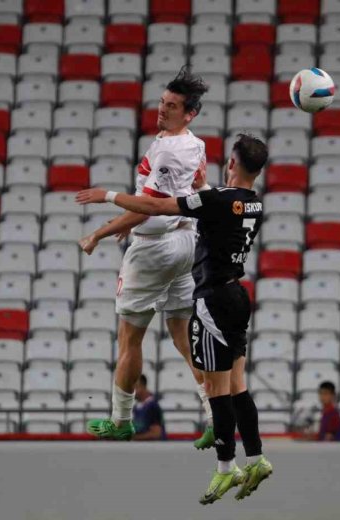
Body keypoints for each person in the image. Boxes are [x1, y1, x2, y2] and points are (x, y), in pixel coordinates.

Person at [76, 134, 272, 505]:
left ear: (232, 163)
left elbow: (160, 207)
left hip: (213, 298)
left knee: (219, 392)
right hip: (238, 296)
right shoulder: (253, 205)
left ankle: (226, 469)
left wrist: (108, 197)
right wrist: (203, 189)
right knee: (238, 386)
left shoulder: (215, 200)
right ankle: (257, 458)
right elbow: (222, 205)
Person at [78, 67, 215, 450]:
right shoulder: (193, 144)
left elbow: (151, 207)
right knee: (184, 336)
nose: (163, 110)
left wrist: (100, 230)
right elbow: (194, 188)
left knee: (130, 338)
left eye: (172, 106)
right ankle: (216, 418)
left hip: (155, 251)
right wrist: (131, 222)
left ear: (190, 113)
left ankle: (121, 421)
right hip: (186, 241)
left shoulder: (170, 150)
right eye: (162, 102)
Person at [133, 375, 166, 440]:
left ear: (143, 386)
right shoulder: (136, 407)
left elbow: (156, 434)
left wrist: (134, 438)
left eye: (135, 387)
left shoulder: (152, 406)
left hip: (154, 448)